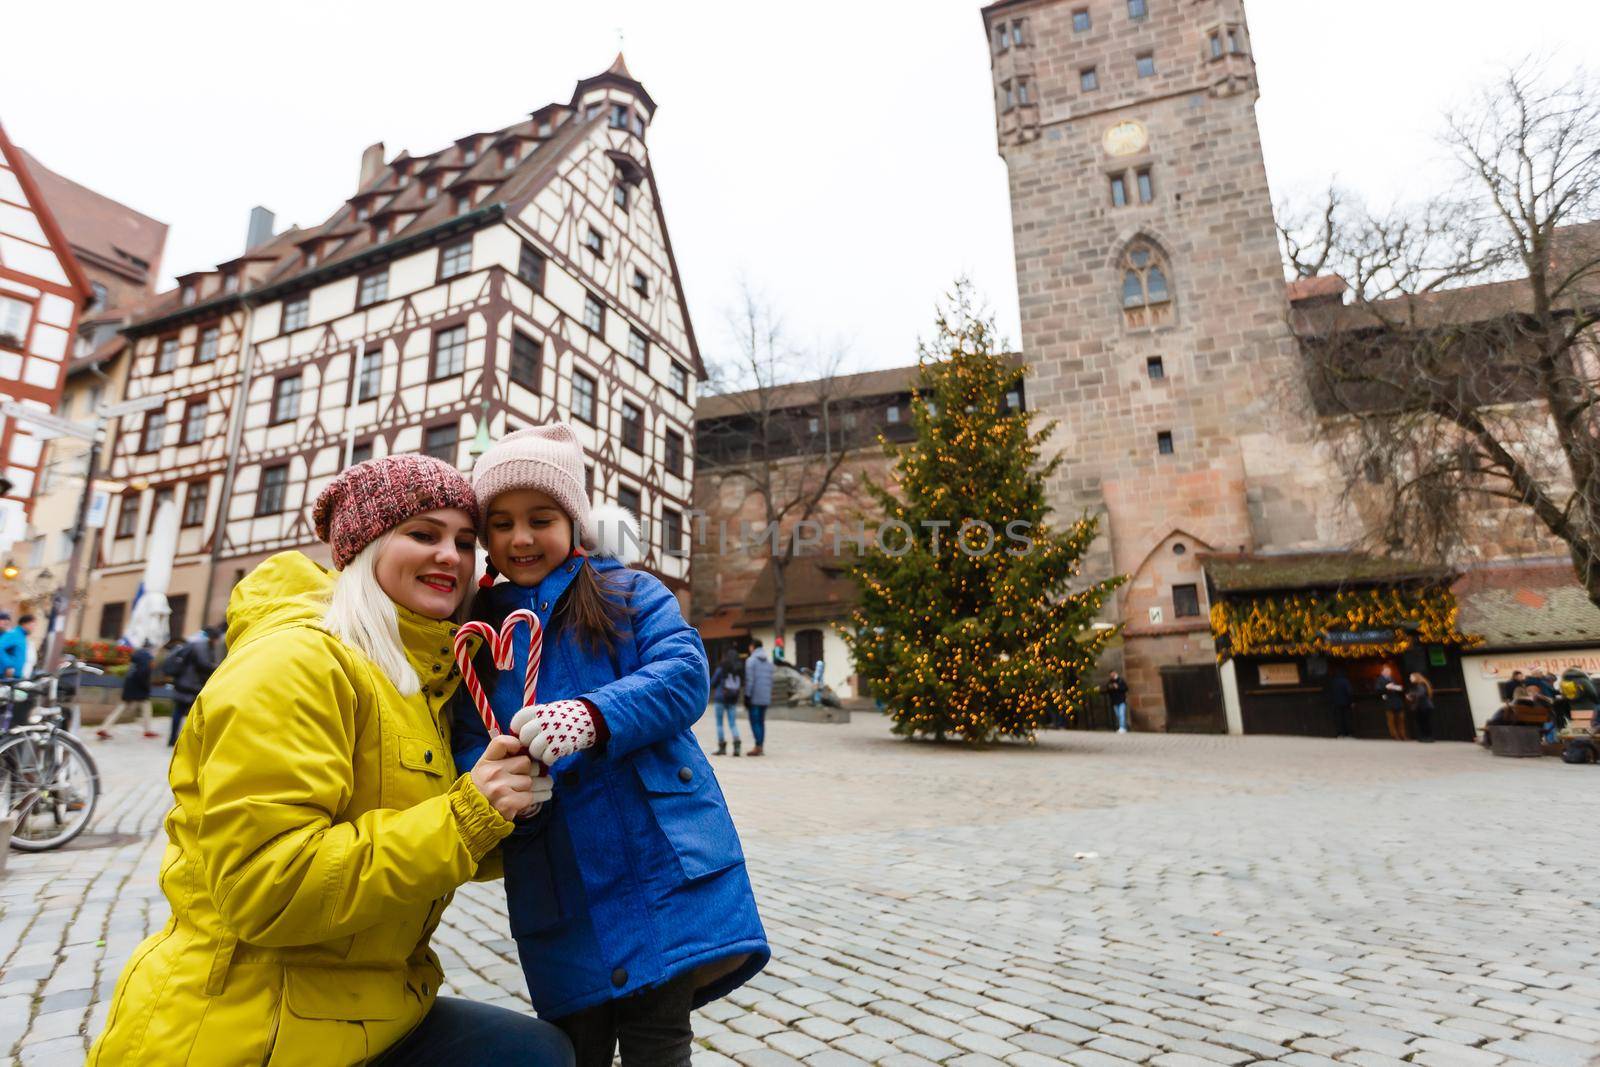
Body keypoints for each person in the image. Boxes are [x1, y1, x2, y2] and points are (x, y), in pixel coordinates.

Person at [89, 454, 571, 1067]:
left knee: (538, 1052)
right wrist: (468, 814)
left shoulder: (421, 681)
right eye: (422, 534)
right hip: (254, 1024)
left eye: (466, 541)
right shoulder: (294, 663)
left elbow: (425, 838)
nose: (451, 555)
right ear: (366, 547)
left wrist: (518, 816)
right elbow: (270, 888)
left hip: (368, 1005)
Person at [452, 423, 767, 1067]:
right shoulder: (476, 639)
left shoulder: (629, 595)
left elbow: (683, 676)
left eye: (540, 518)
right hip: (558, 882)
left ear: (573, 520)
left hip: (655, 869)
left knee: (659, 1043)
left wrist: (595, 715)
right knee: (578, 1050)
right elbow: (465, 740)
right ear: (484, 537)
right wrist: (505, 789)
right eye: (502, 523)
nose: (521, 537)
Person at [165, 622, 224, 746]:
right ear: (213, 637)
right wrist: (219, 667)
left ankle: (174, 738)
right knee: (191, 713)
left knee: (180, 711)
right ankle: (185, 740)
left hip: (185, 681)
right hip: (190, 683)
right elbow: (203, 663)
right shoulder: (201, 645)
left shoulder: (196, 643)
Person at [98, 642, 158, 740]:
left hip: (130, 685)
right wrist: (146, 687)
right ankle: (147, 730)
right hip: (139, 687)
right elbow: (143, 673)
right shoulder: (147, 657)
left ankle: (104, 727)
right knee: (146, 707)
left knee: (122, 707)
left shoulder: (136, 654)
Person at [710, 648, 745, 756]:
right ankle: (737, 745)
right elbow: (743, 683)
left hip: (720, 698)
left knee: (719, 724)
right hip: (733, 698)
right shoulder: (739, 668)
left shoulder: (722, 667)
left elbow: (713, 682)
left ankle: (722, 747)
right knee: (732, 723)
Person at [744, 639, 773, 758]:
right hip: (765, 696)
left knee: (754, 722)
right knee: (761, 722)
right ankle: (760, 745)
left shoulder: (751, 661)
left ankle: (757, 746)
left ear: (753, 647)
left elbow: (750, 680)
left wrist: (747, 695)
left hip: (755, 696)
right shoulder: (769, 662)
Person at [0, 612, 33, 680]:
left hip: (14, 674)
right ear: (25, 624)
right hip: (6, 674)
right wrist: (8, 665)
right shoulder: (14, 634)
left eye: (7, 621)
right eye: (3, 620)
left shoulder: (20, 635)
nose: (6, 623)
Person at [1377, 666, 1408, 740]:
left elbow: (1398, 687)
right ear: (1383, 672)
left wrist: (1398, 688)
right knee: (1391, 720)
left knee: (1401, 719)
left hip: (1397, 701)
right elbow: (1377, 689)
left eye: (1389, 671)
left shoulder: (1392, 678)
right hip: (1389, 702)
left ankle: (1403, 735)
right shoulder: (1379, 679)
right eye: (1387, 671)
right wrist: (1386, 687)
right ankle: (1395, 735)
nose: (1389, 672)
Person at [1405, 672, 1435, 742]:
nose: (1410, 678)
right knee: (1423, 723)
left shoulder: (1421, 684)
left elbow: (1421, 694)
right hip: (1423, 706)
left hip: (1424, 706)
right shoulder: (1419, 685)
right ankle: (1425, 737)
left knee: (1424, 723)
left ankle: (1428, 738)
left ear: (1416, 677)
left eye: (1411, 677)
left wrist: (1410, 695)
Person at [1328, 672, 1354, 737]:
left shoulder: (1333, 682)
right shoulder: (1345, 681)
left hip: (1336, 703)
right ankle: (1348, 733)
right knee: (1347, 718)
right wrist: (1351, 702)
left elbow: (1330, 692)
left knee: (1338, 718)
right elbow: (1349, 692)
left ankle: (1340, 733)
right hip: (1346, 703)